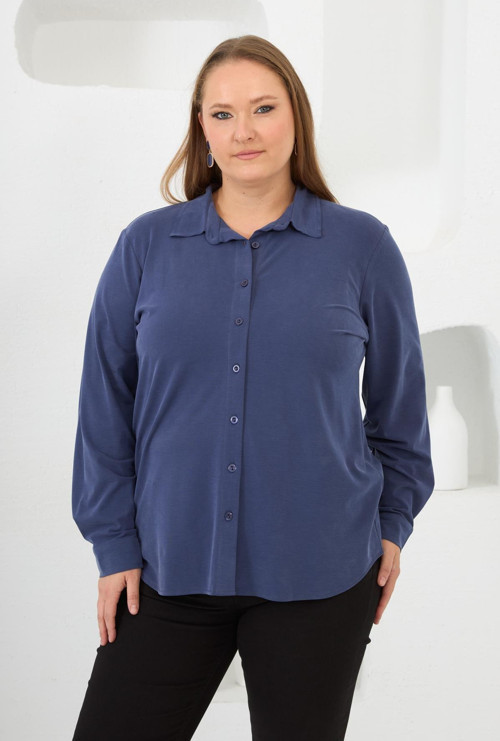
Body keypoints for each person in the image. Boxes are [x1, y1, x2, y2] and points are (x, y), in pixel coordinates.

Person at [71, 34, 434, 741]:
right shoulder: (146, 246)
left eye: (264, 108)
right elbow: (104, 406)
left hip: (322, 575)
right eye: (223, 113)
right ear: (201, 129)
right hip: (166, 569)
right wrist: (113, 543)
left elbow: (401, 410)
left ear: (295, 116)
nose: (244, 131)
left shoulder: (363, 247)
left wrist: (393, 523)